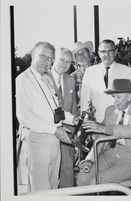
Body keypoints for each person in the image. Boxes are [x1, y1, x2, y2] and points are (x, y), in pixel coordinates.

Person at [16, 42, 76, 192]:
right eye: (42, 56)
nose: (46, 61)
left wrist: (71, 119)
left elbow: (56, 110)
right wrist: (54, 130)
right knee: (41, 189)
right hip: (37, 140)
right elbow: (25, 117)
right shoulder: (22, 80)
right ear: (32, 54)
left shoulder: (46, 79)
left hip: (53, 140)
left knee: (53, 186)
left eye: (50, 58)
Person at [76, 79, 131, 185]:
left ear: (129, 96)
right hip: (110, 154)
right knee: (82, 178)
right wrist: (90, 159)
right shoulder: (110, 110)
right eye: (114, 97)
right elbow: (101, 139)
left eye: (118, 97)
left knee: (97, 181)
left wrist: (104, 128)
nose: (115, 101)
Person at [80, 39, 131, 122]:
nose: (107, 54)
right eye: (103, 51)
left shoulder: (128, 71)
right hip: (97, 122)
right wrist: (85, 122)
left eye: (110, 51)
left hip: (119, 123)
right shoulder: (89, 72)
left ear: (115, 51)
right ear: (99, 54)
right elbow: (85, 100)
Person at [49, 48, 78, 188]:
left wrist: (76, 132)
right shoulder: (43, 77)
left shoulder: (71, 80)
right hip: (48, 132)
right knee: (49, 173)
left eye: (68, 61)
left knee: (67, 171)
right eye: (62, 59)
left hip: (67, 133)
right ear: (54, 58)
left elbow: (73, 108)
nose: (65, 64)